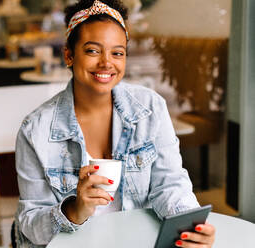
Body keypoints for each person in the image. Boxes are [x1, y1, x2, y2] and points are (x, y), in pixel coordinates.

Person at [12, 0, 216, 247]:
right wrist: (75, 210)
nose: (106, 63)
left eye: (117, 53)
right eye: (93, 51)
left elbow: (170, 184)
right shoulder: (35, 130)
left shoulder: (151, 109)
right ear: (69, 54)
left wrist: (192, 225)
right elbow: (31, 223)